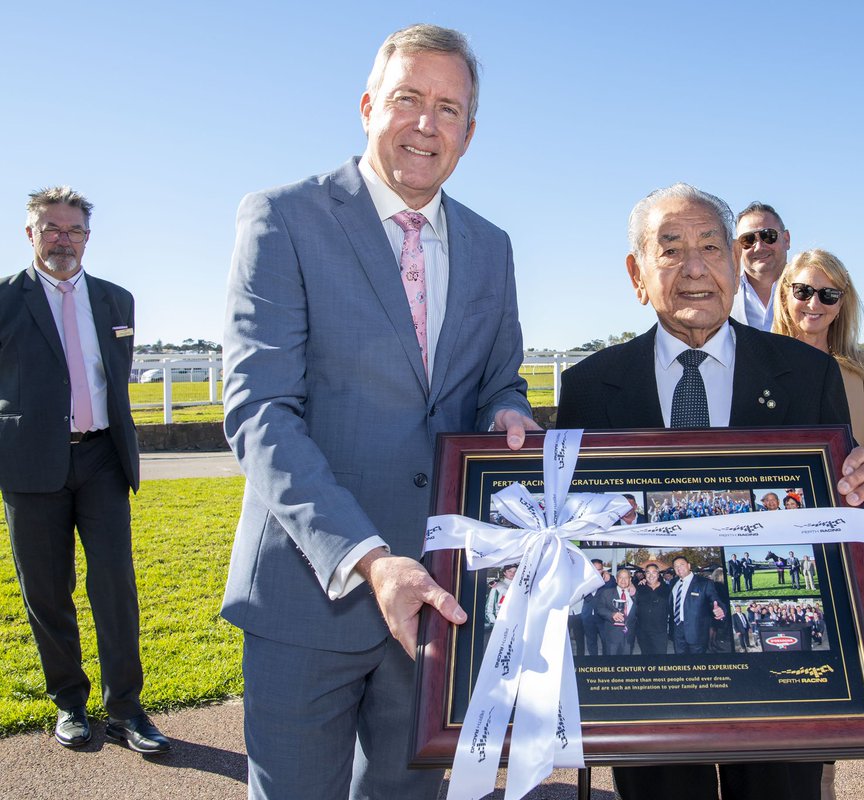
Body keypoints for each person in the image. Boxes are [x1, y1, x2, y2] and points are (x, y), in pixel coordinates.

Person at [220, 25, 538, 799]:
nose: (426, 124)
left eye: (449, 108)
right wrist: (365, 556)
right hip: (307, 593)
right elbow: (259, 411)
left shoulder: (491, 246)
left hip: (438, 601)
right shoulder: (282, 218)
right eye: (408, 99)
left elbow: (500, 378)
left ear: (470, 131)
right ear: (368, 106)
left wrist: (508, 415)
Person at [556, 182, 864, 800]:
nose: (695, 268)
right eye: (672, 248)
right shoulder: (589, 388)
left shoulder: (807, 374)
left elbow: (834, 514)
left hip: (777, 684)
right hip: (647, 684)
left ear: (736, 267)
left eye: (711, 246)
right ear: (637, 273)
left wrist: (858, 499)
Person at [0, 186, 170, 755]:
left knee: (115, 588)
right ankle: (70, 703)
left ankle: (126, 709)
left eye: (74, 230)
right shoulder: (4, 299)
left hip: (101, 458)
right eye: (51, 228)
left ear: (88, 238)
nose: (63, 239)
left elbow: (111, 378)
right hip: (29, 463)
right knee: (47, 592)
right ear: (30, 234)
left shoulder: (115, 300)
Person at [772, 248, 864, 636]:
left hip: (856, 539)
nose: (815, 303)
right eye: (804, 291)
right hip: (786, 536)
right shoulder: (754, 366)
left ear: (843, 303)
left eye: (829, 295)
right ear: (784, 295)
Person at [730, 202, 790, 331]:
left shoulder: (812, 293)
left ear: (786, 240)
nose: (759, 247)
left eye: (768, 236)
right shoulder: (723, 296)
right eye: (748, 240)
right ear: (737, 248)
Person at [595, 568, 639, 655]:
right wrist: (611, 614)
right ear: (616, 579)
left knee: (626, 665)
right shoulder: (606, 593)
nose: (623, 580)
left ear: (630, 579)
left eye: (626, 578)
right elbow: (599, 608)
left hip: (629, 636)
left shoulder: (635, 593)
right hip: (612, 636)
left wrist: (634, 596)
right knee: (611, 664)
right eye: (620, 577)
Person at [635, 563, 672, 655]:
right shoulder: (639, 588)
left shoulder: (667, 589)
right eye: (648, 573)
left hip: (660, 631)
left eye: (654, 572)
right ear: (645, 575)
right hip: (642, 631)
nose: (651, 575)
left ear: (658, 574)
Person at [484, 564, 517, 628]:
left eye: (515, 571)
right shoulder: (498, 586)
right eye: (509, 571)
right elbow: (490, 608)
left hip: (515, 623)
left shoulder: (519, 587)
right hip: (501, 624)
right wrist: (496, 622)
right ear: (504, 572)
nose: (513, 573)